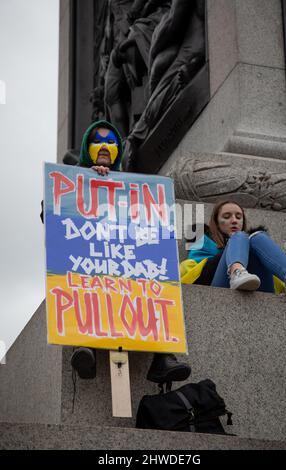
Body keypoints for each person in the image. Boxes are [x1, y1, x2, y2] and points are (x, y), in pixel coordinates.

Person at [70, 119, 191, 384]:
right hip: (91, 260)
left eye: (111, 142)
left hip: (128, 264)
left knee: (155, 280)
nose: (104, 146)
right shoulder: (70, 181)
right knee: (88, 278)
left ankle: (163, 357)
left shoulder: (136, 189)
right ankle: (84, 347)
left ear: (118, 150)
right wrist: (85, 181)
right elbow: (52, 216)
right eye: (98, 141)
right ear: (86, 148)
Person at [180, 200, 286, 296]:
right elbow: (193, 274)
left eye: (238, 217)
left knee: (258, 237)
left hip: (261, 287)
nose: (234, 221)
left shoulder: (254, 241)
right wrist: (227, 255)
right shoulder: (202, 241)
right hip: (220, 287)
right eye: (227, 217)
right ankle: (237, 272)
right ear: (216, 222)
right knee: (239, 236)